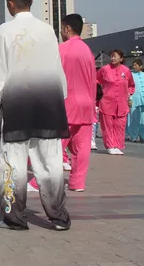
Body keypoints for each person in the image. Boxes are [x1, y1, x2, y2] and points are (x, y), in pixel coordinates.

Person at [0, 0, 70, 231]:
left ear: (10, 4)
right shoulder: (47, 30)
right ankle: (58, 217)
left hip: (18, 104)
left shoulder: (3, 32)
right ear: (31, 1)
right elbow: (57, 68)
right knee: (50, 161)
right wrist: (60, 96)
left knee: (13, 161)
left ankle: (15, 218)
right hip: (48, 102)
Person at [56, 13, 97, 191]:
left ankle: (42, 181)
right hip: (86, 104)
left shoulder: (60, 49)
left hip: (66, 104)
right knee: (82, 147)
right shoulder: (87, 51)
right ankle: (77, 182)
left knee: (55, 146)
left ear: (67, 28)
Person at [96, 50, 135, 155]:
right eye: (112, 56)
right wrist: (99, 92)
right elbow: (95, 79)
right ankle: (110, 145)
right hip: (107, 102)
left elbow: (131, 84)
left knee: (120, 125)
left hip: (122, 103)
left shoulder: (126, 71)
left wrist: (129, 93)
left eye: (115, 57)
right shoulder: (104, 69)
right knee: (107, 125)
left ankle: (117, 145)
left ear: (121, 59)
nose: (113, 58)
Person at [127, 59, 144, 142]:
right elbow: (128, 88)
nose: (134, 67)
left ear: (141, 66)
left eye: (136, 65)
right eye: (133, 65)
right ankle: (133, 135)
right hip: (135, 99)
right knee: (134, 118)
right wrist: (129, 98)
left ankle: (143, 136)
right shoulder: (131, 75)